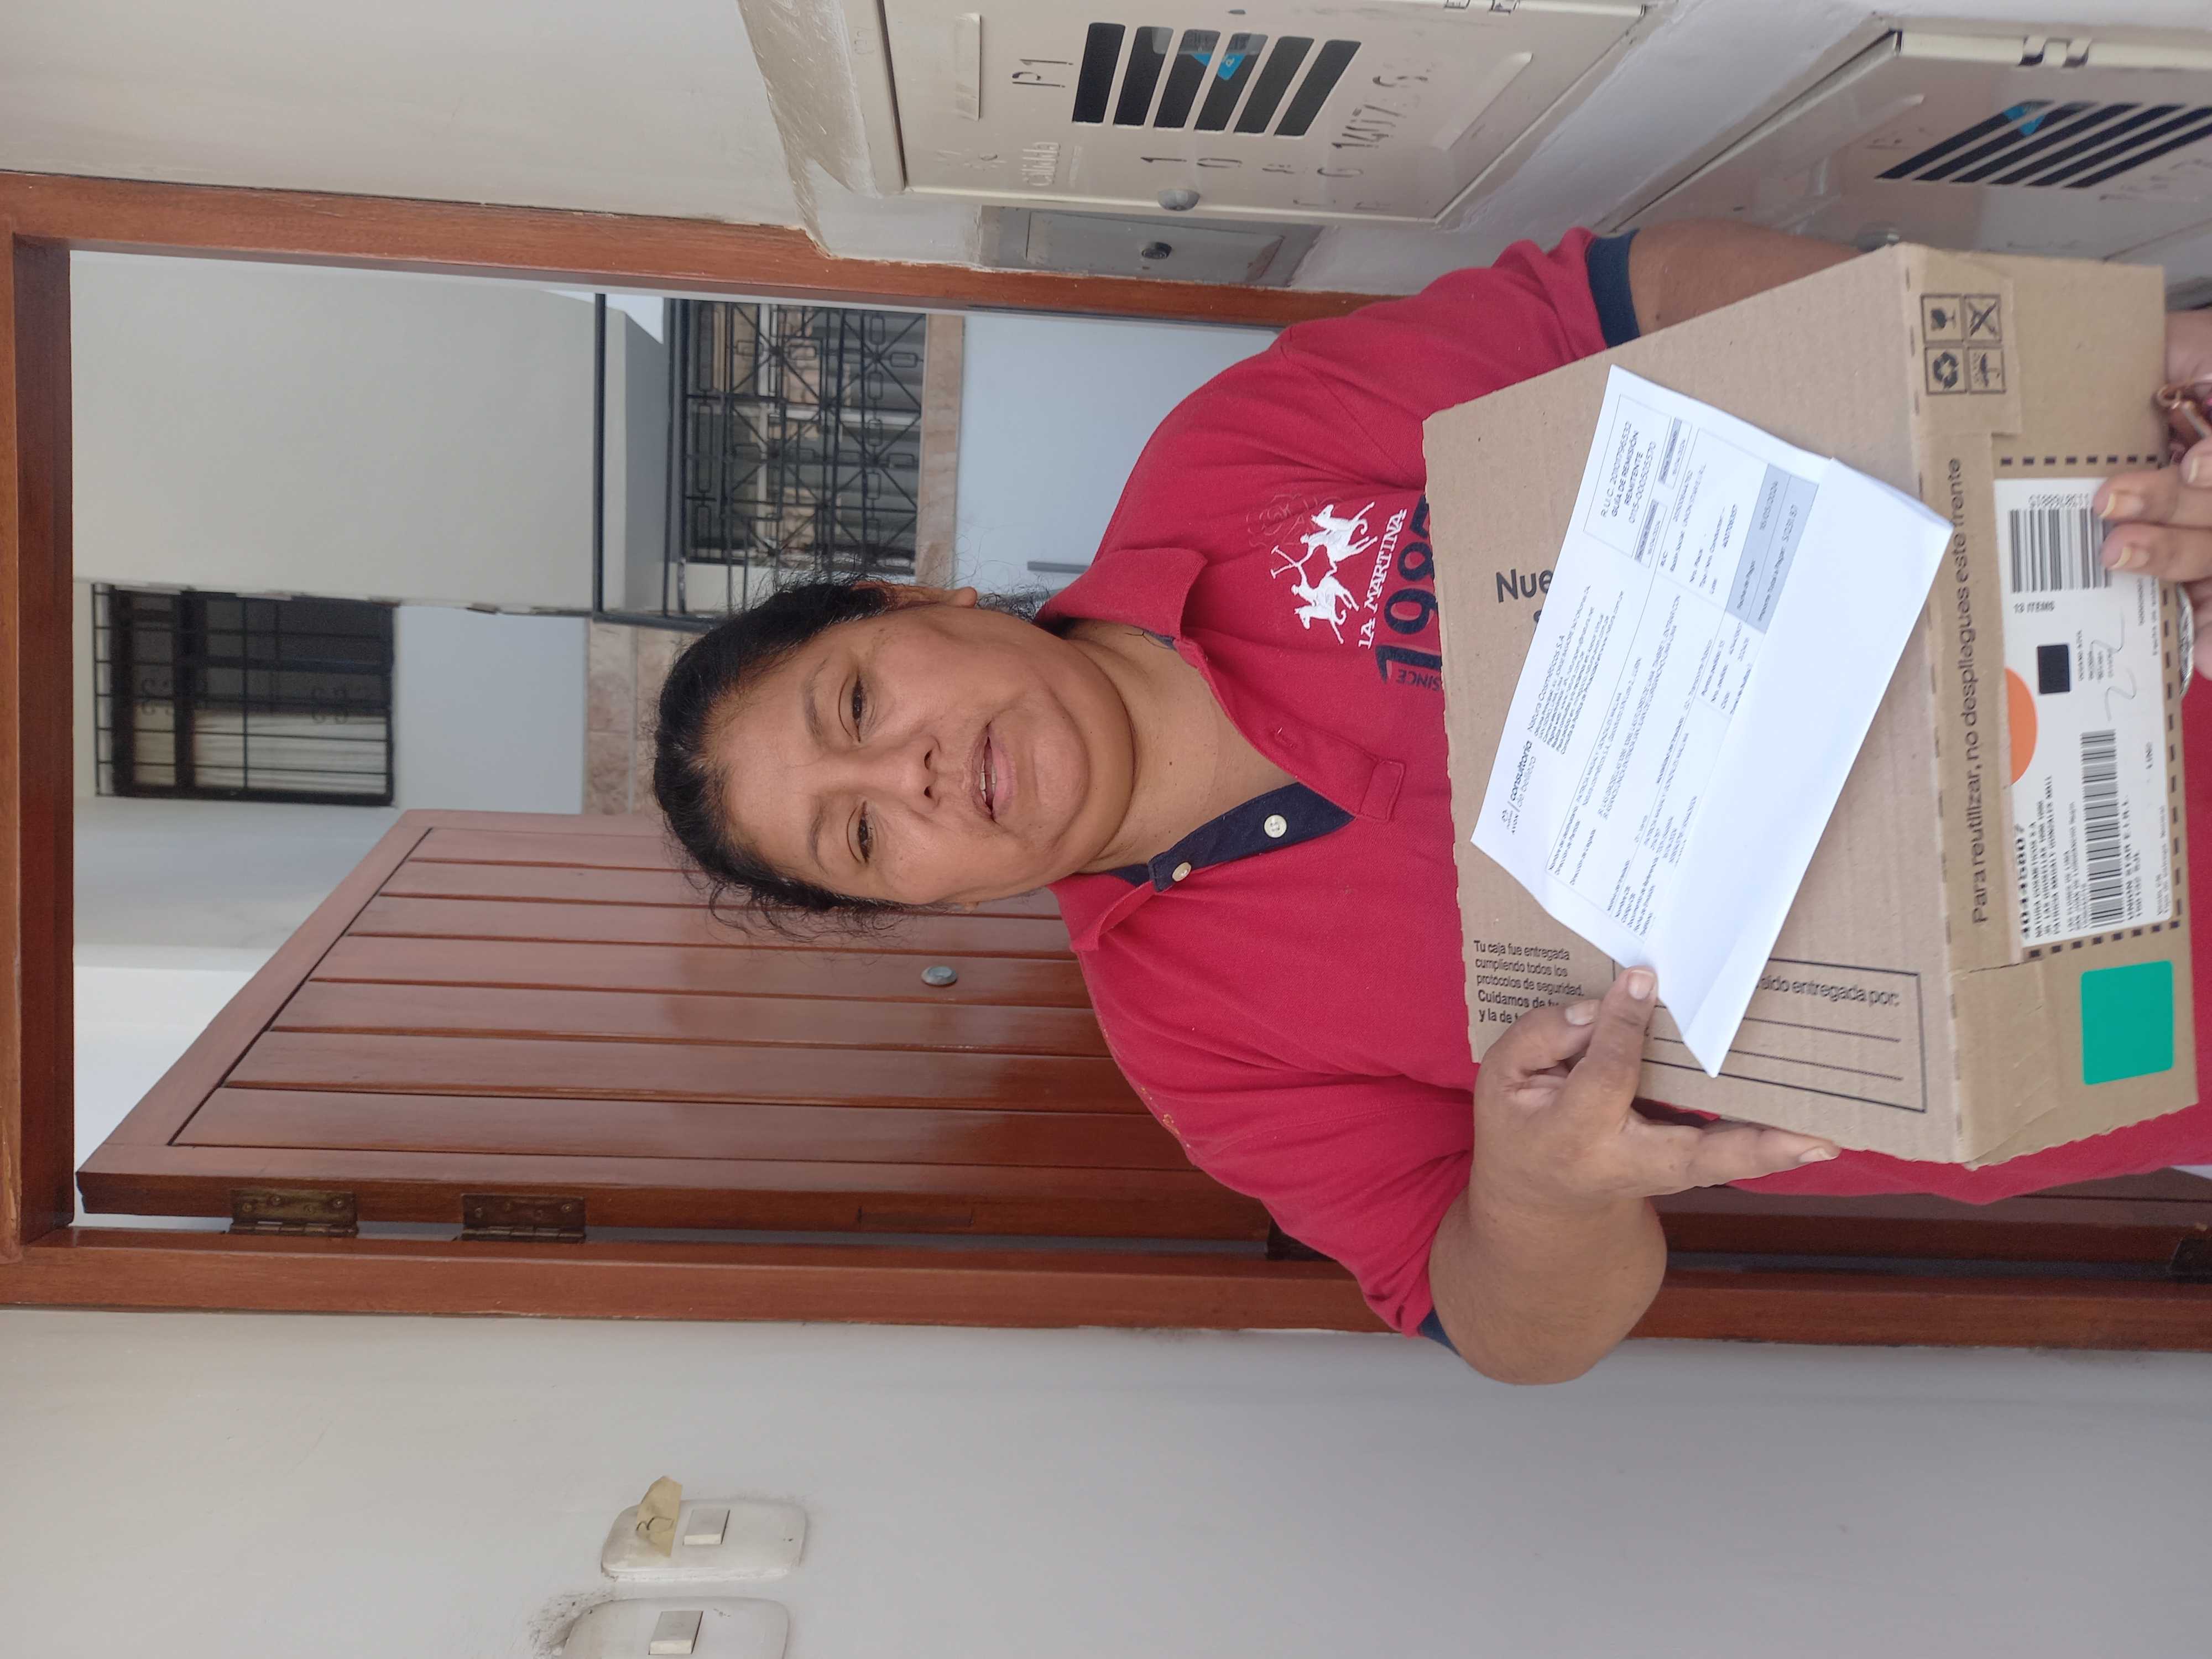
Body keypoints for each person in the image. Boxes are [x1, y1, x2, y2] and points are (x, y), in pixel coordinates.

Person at [653, 221, 2212, 1384]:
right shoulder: (1198, 1049)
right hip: (2142, 1015)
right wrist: (1539, 1196)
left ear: (912, 598)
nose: (912, 774)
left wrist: (2083, 378)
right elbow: (1507, 1330)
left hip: (2146, 603)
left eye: (857, 706)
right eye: (863, 836)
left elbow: (1625, 298)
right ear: (929, 903)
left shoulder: (1233, 464)